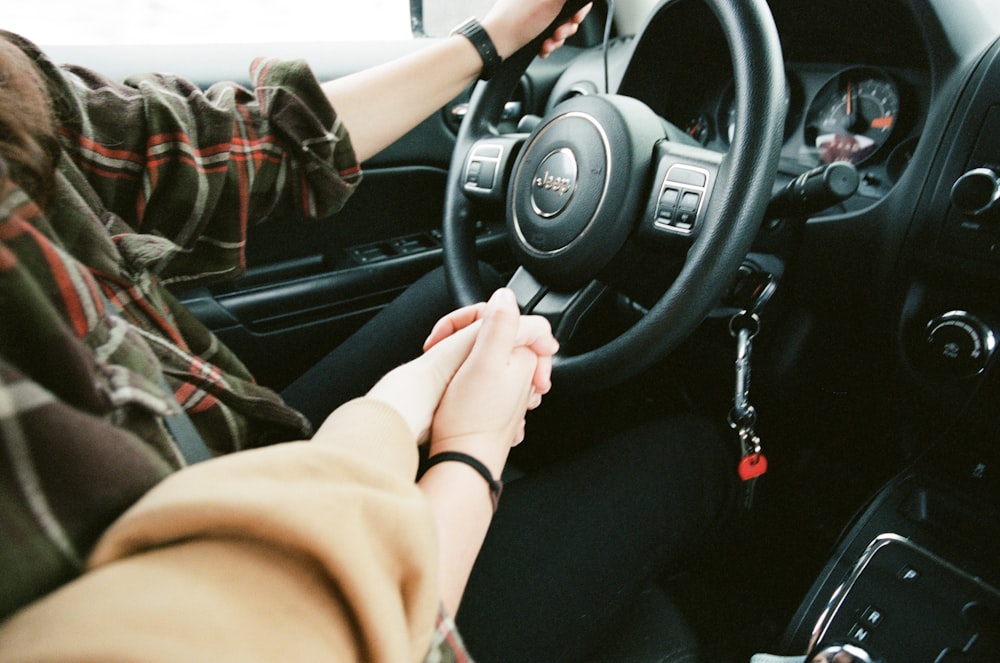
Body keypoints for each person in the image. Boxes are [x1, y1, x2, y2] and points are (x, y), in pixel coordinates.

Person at [0, 1, 739, 660]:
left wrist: (494, 36)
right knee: (690, 453)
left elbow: (221, 144)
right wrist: (472, 451)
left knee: (458, 304)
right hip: (294, 612)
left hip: (235, 465)